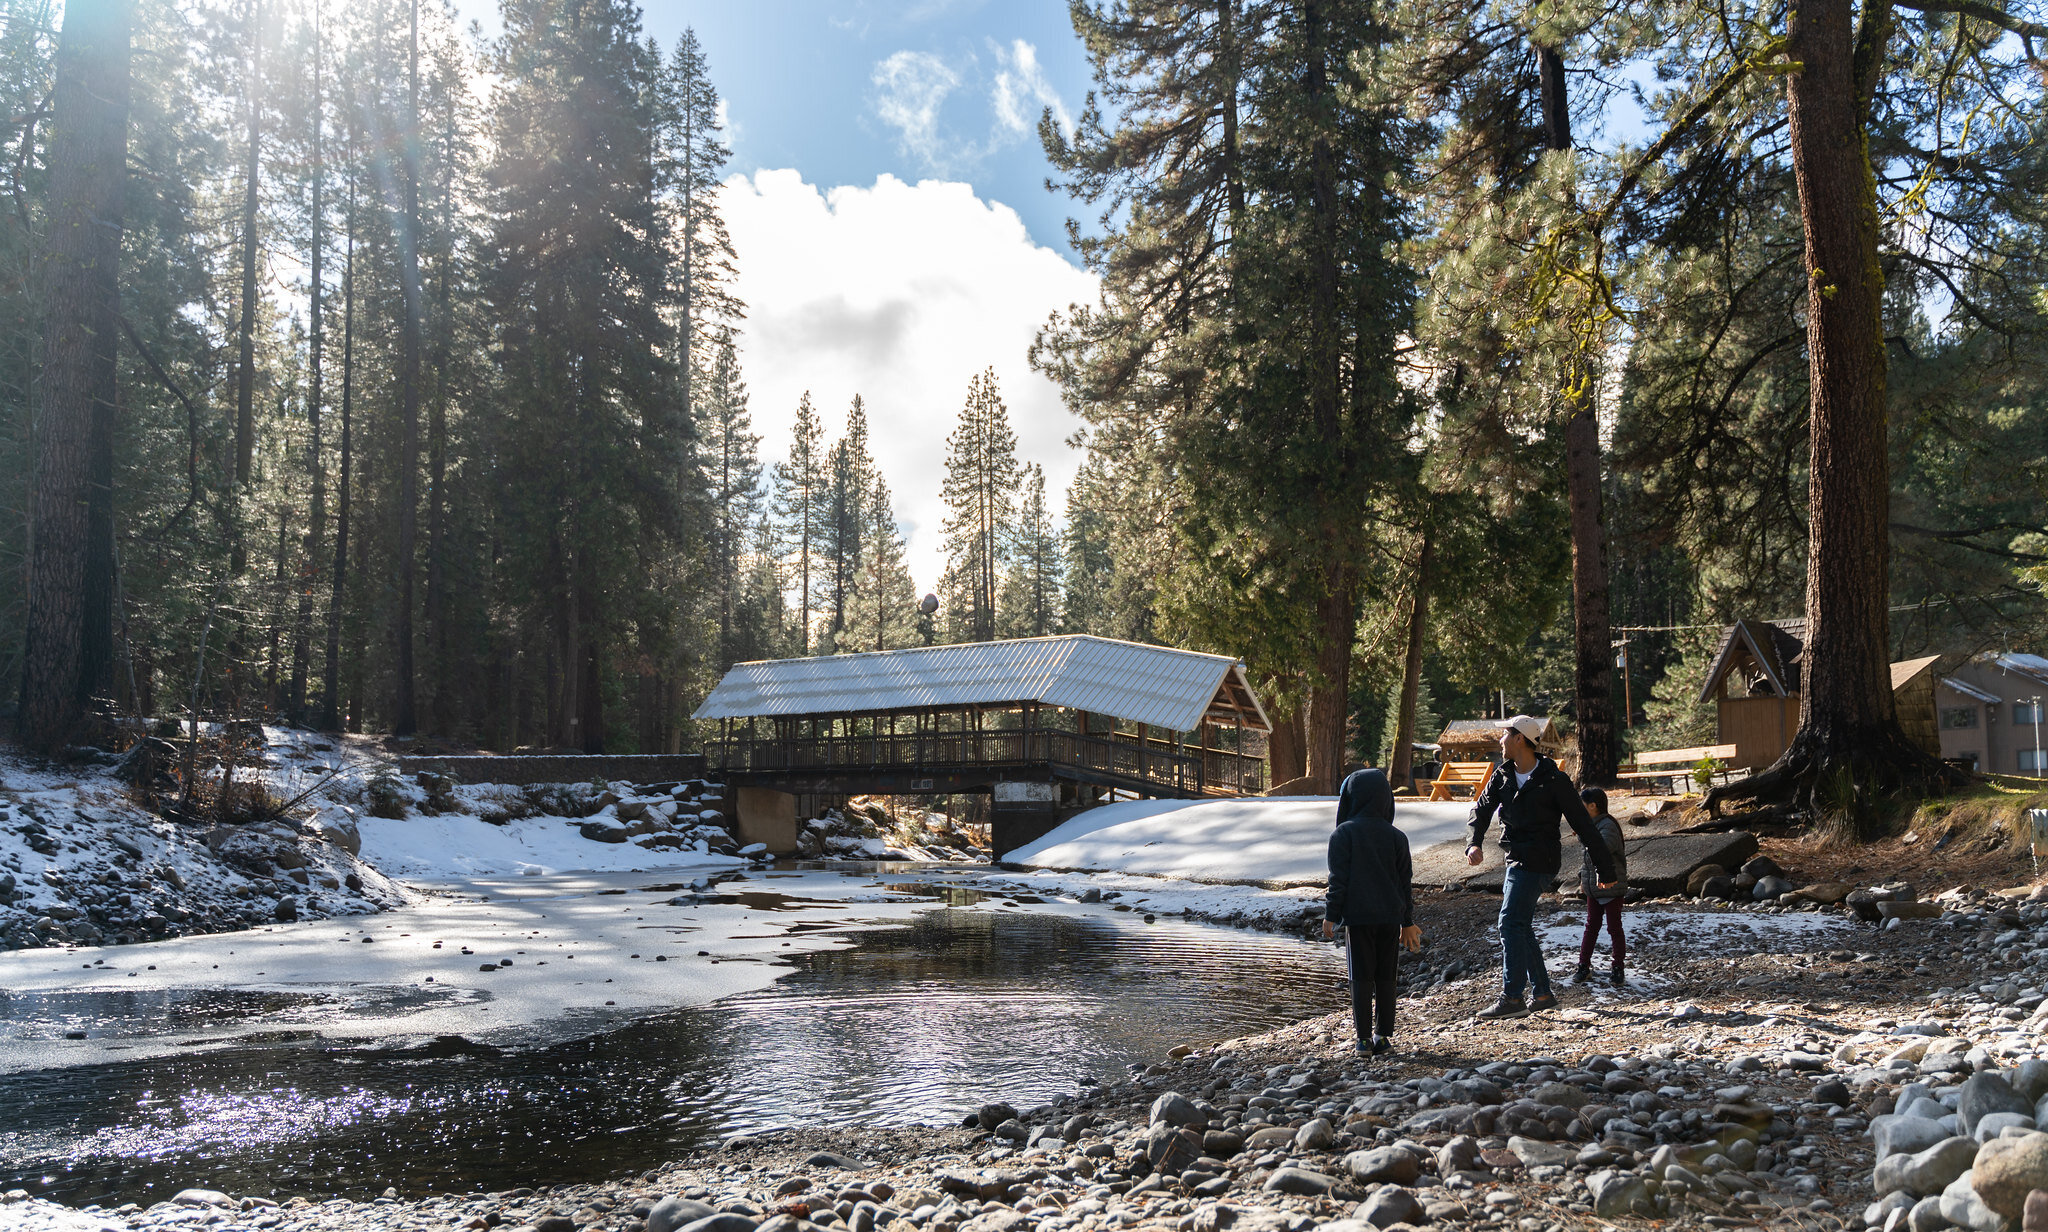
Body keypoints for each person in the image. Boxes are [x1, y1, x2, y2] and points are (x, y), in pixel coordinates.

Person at [1464, 715, 1617, 1019]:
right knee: (1520, 926)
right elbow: (1480, 810)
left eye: (1504, 735)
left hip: (1539, 861)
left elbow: (1583, 825)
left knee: (1509, 923)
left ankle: (1512, 998)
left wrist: (1605, 869)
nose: (1500, 741)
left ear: (1519, 738)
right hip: (1516, 859)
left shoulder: (1553, 779)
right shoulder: (1503, 774)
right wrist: (1474, 843)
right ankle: (1543, 994)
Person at [1322, 768, 1422, 1055]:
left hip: (1358, 917)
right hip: (1390, 917)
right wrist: (1407, 921)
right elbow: (1405, 882)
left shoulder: (1343, 834)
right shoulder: (1396, 837)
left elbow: (1338, 880)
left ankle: (1363, 1038)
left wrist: (1331, 914)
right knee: (1386, 976)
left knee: (1361, 976)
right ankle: (1384, 1036)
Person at [1573, 786, 1628, 988]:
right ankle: (1583, 965)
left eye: (1583, 806)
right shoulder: (1592, 824)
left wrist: (1582, 835)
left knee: (1614, 928)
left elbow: (1600, 850)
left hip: (1612, 885)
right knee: (1591, 927)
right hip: (1593, 887)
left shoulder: (1607, 826)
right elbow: (1588, 855)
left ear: (1593, 806)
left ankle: (1618, 967)